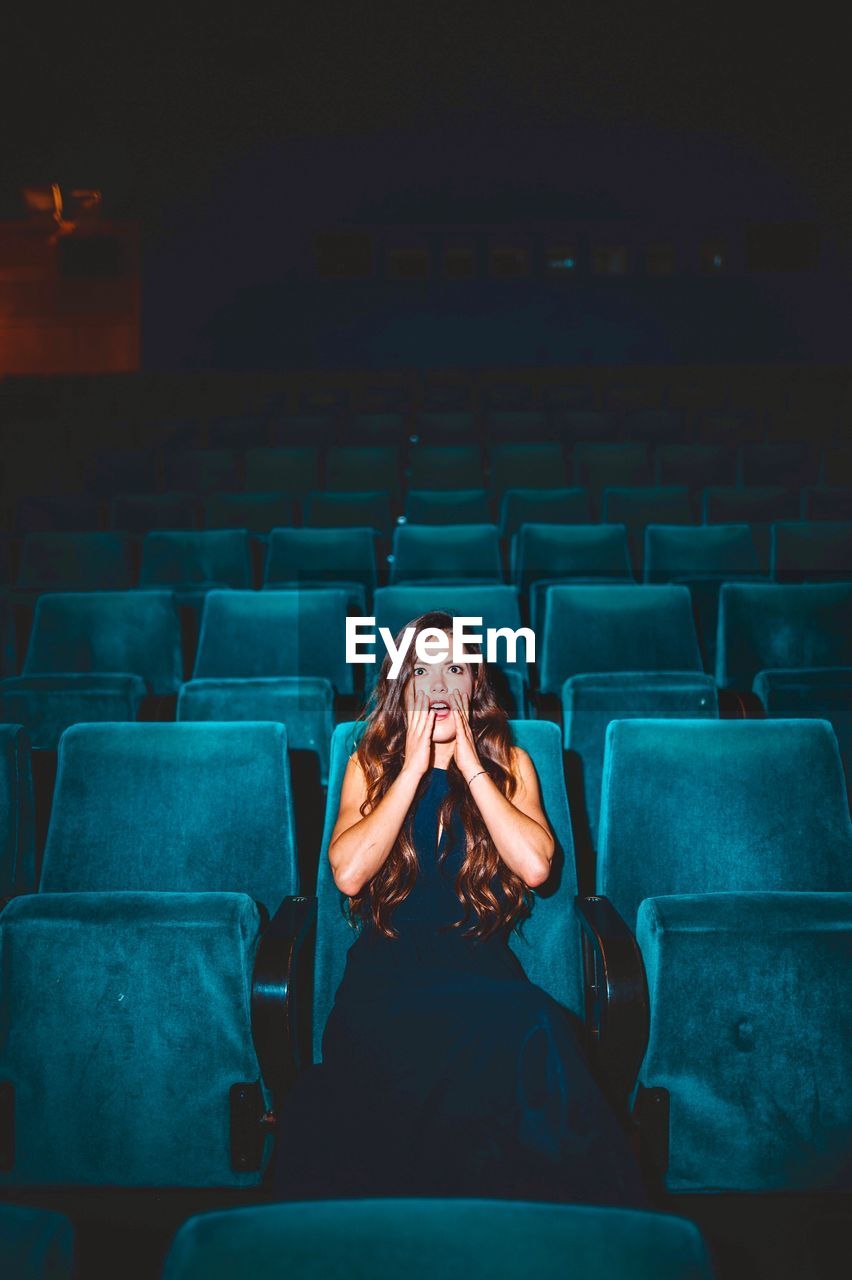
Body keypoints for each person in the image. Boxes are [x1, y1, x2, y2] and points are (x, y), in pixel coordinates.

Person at [273, 611, 647, 1206]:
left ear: (475, 683)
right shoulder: (367, 764)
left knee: (541, 1029)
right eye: (423, 670)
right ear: (404, 684)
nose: (441, 685)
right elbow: (347, 873)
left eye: (456, 668)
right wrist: (413, 769)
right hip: (386, 981)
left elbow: (536, 867)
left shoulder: (511, 766)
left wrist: (471, 767)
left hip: (482, 976)